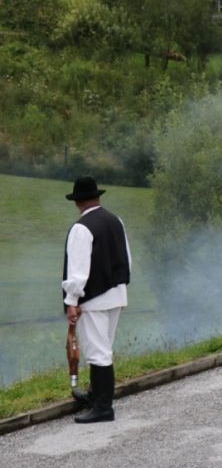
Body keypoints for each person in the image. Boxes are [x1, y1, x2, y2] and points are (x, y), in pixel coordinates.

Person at [62, 176, 131, 424]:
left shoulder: (81, 228)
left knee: (97, 352)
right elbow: (126, 259)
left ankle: (103, 408)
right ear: (97, 197)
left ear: (77, 201)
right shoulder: (116, 220)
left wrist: (72, 300)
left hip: (94, 298)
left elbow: (78, 271)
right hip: (116, 293)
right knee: (104, 347)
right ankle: (95, 396)